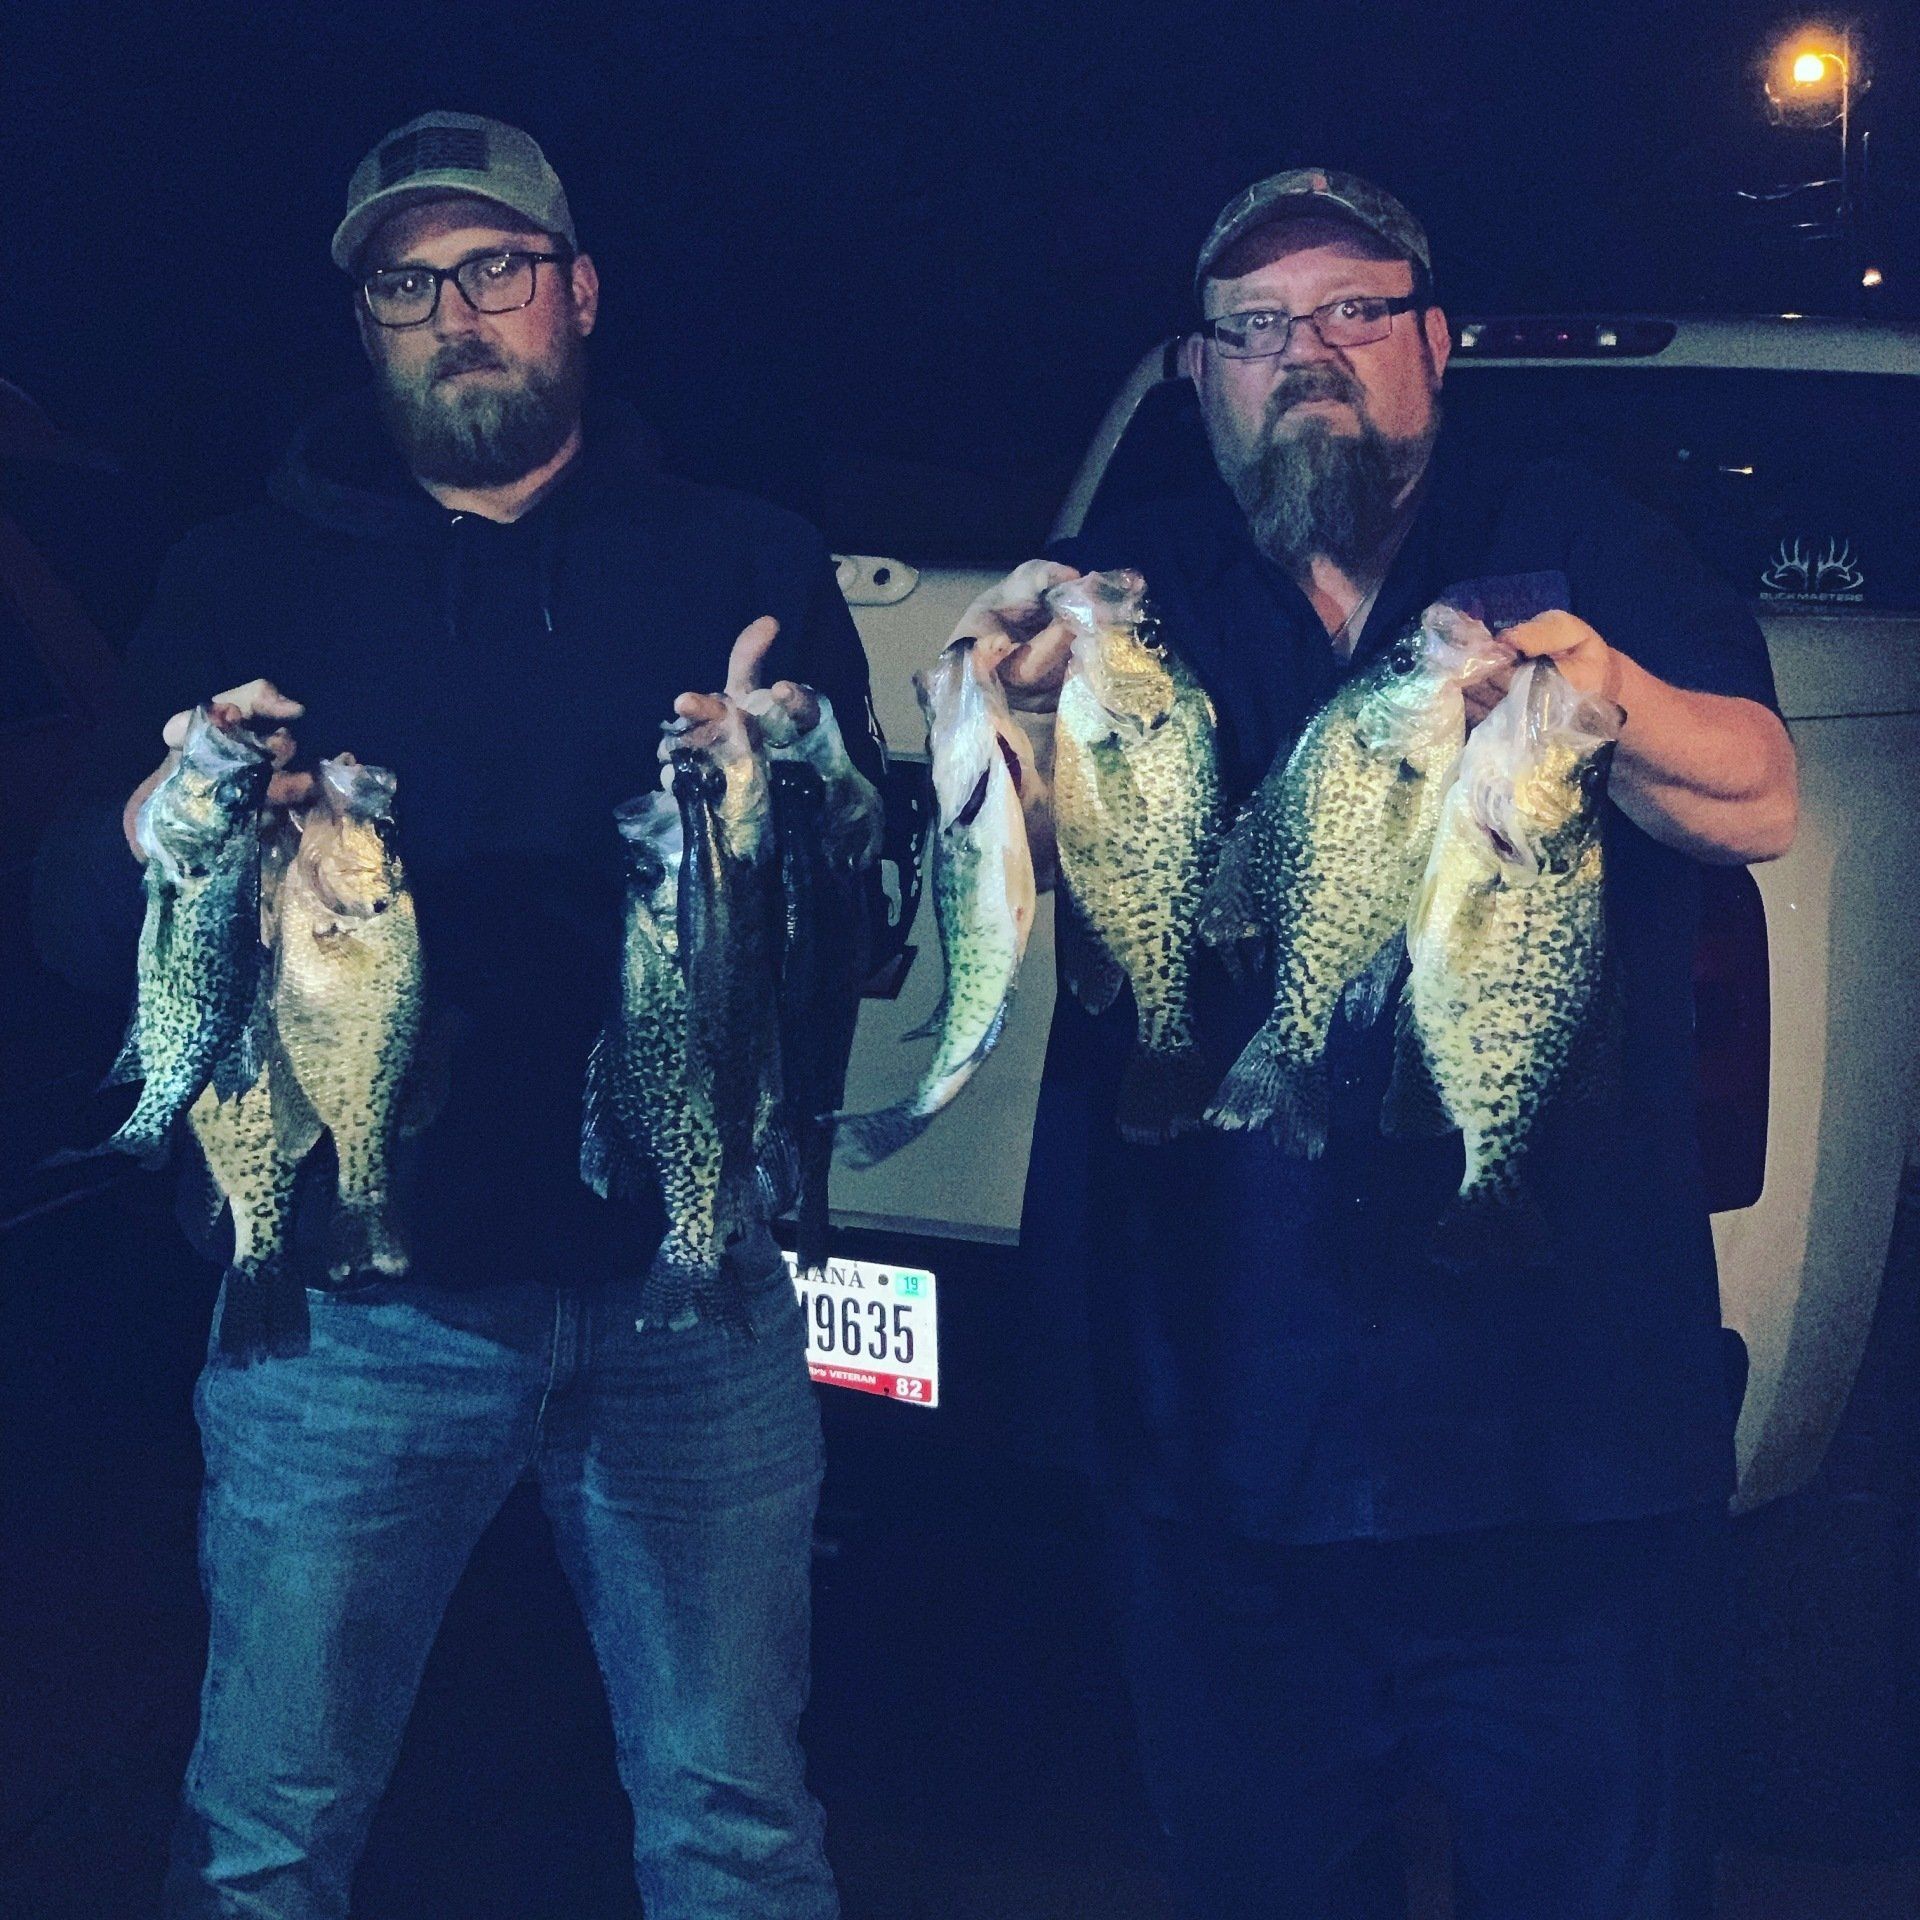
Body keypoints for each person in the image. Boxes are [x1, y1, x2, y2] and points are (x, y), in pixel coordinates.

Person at [36, 110, 874, 1919]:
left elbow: (854, 950)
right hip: (343, 1318)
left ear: (580, 293)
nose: (457, 313)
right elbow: (75, 928)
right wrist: (162, 811)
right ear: (367, 328)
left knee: (735, 1821)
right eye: (408, 285)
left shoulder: (748, 560)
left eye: (494, 269)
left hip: (692, 1300)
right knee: (265, 1831)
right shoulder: (236, 577)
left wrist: (793, 787)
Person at [962, 169, 1796, 1918]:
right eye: (1256, 327)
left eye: (1353, 310)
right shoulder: (1139, 593)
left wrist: (1607, 690)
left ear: (1434, 343)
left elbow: (1764, 798)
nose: (1306, 353)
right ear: (1199, 375)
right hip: (1211, 1427)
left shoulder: (1583, 529)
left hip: (1556, 1443)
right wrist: (999, 730)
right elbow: (1024, 890)